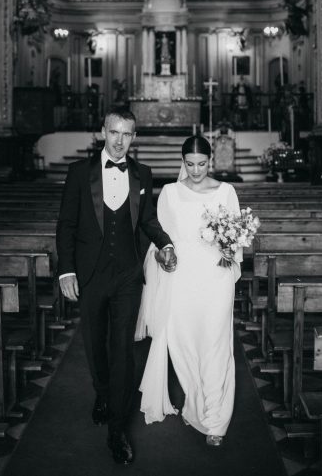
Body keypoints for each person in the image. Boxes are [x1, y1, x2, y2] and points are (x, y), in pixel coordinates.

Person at [56, 108, 177, 465]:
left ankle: (118, 429)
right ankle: (103, 393)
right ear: (103, 132)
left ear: (134, 136)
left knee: (122, 347)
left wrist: (166, 243)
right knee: (95, 345)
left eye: (127, 134)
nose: (120, 141)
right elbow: (66, 225)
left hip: (127, 274)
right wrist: (66, 271)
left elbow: (148, 219)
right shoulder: (80, 173)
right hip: (91, 274)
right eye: (114, 133)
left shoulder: (143, 173)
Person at [135, 135, 242, 446]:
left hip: (216, 279)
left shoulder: (226, 191)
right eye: (190, 164)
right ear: (182, 162)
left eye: (202, 164)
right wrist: (162, 256)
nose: (196, 170)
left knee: (215, 345)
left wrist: (230, 255)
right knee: (184, 346)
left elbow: (235, 241)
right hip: (181, 279)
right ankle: (195, 404)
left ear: (211, 161)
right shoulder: (169, 193)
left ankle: (215, 420)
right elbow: (161, 241)